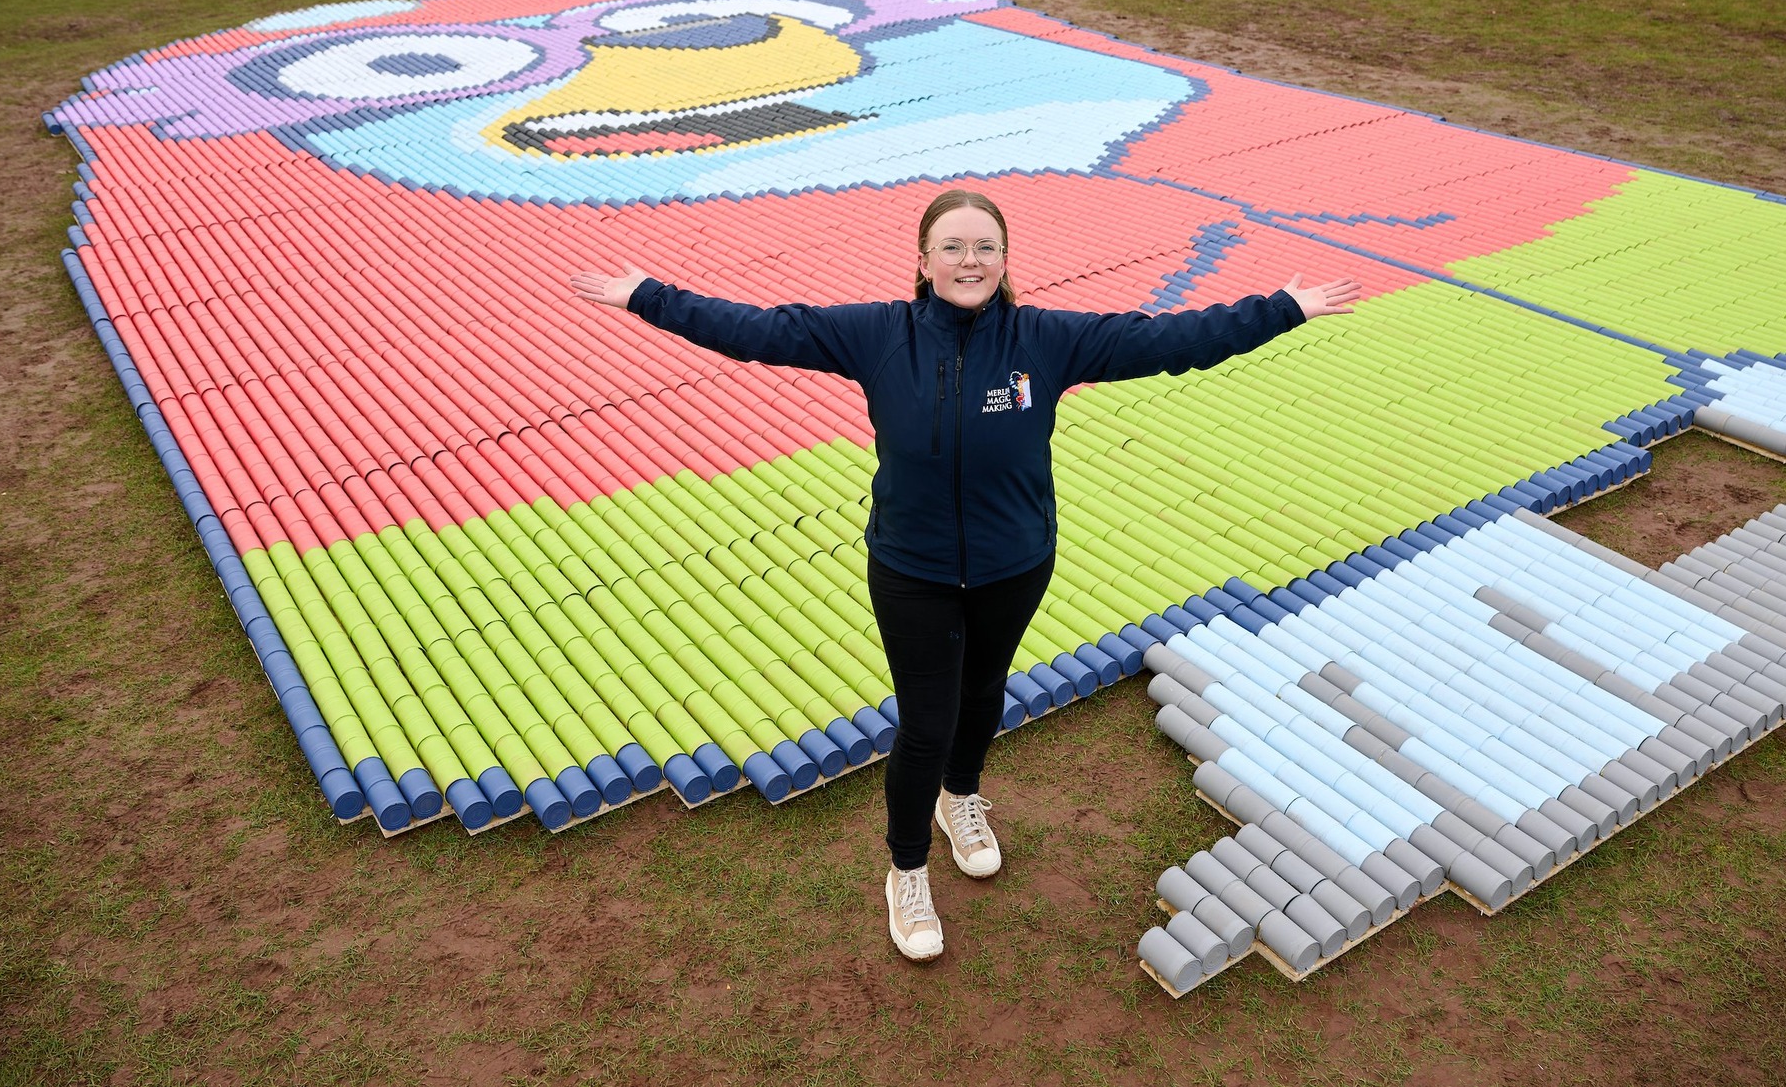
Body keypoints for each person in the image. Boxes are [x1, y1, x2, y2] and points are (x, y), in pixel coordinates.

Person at [569, 189, 1360, 961]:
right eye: (953, 246)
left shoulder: (1044, 340)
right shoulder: (878, 335)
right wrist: (648, 294)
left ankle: (962, 799)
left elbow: (1167, 341)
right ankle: (906, 872)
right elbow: (759, 330)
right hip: (912, 567)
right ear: (924, 259)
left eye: (985, 246)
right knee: (925, 720)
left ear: (1006, 258)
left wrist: (1281, 306)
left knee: (983, 693)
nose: (969, 259)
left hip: (1015, 563)